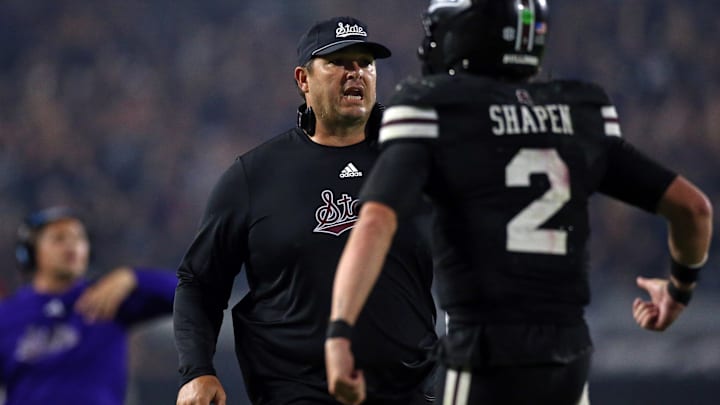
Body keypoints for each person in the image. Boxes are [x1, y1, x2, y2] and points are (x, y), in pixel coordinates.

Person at [325, 1, 713, 404]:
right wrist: (679, 289)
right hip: (567, 355)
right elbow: (694, 209)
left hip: (484, 352)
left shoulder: (436, 107)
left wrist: (339, 332)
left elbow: (374, 222)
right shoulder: (580, 111)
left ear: (466, 32)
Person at [174, 16, 438, 405]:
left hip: (410, 390)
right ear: (303, 79)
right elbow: (198, 281)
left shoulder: (414, 161)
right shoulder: (256, 174)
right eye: (338, 62)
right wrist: (197, 371)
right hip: (296, 392)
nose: (356, 73)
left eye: (365, 62)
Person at [0, 206, 177, 405]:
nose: (72, 245)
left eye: (79, 238)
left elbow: (189, 294)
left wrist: (134, 278)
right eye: (59, 238)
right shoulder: (7, 315)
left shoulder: (108, 296)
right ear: (31, 253)